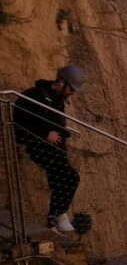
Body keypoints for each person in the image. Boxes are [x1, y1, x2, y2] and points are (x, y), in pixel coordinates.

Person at [13, 65, 86, 232]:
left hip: (53, 149)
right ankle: (58, 215)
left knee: (59, 181)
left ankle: (54, 219)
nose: (72, 93)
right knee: (71, 177)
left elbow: (55, 125)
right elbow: (19, 120)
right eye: (71, 89)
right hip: (37, 145)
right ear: (61, 82)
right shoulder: (37, 94)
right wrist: (45, 133)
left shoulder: (57, 100)